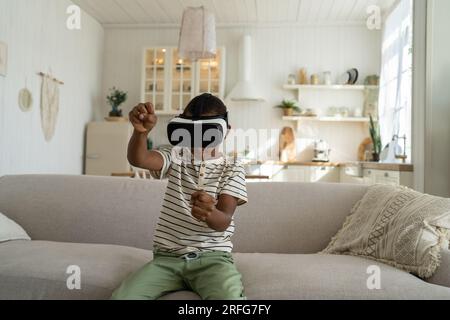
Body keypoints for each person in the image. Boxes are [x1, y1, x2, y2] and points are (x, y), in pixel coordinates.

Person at [112, 93, 248, 300]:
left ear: (225, 131)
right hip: (167, 258)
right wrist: (140, 133)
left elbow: (223, 221)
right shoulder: (175, 155)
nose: (199, 140)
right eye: (190, 131)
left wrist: (210, 212)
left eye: (208, 132)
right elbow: (139, 159)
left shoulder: (232, 168)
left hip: (213, 259)